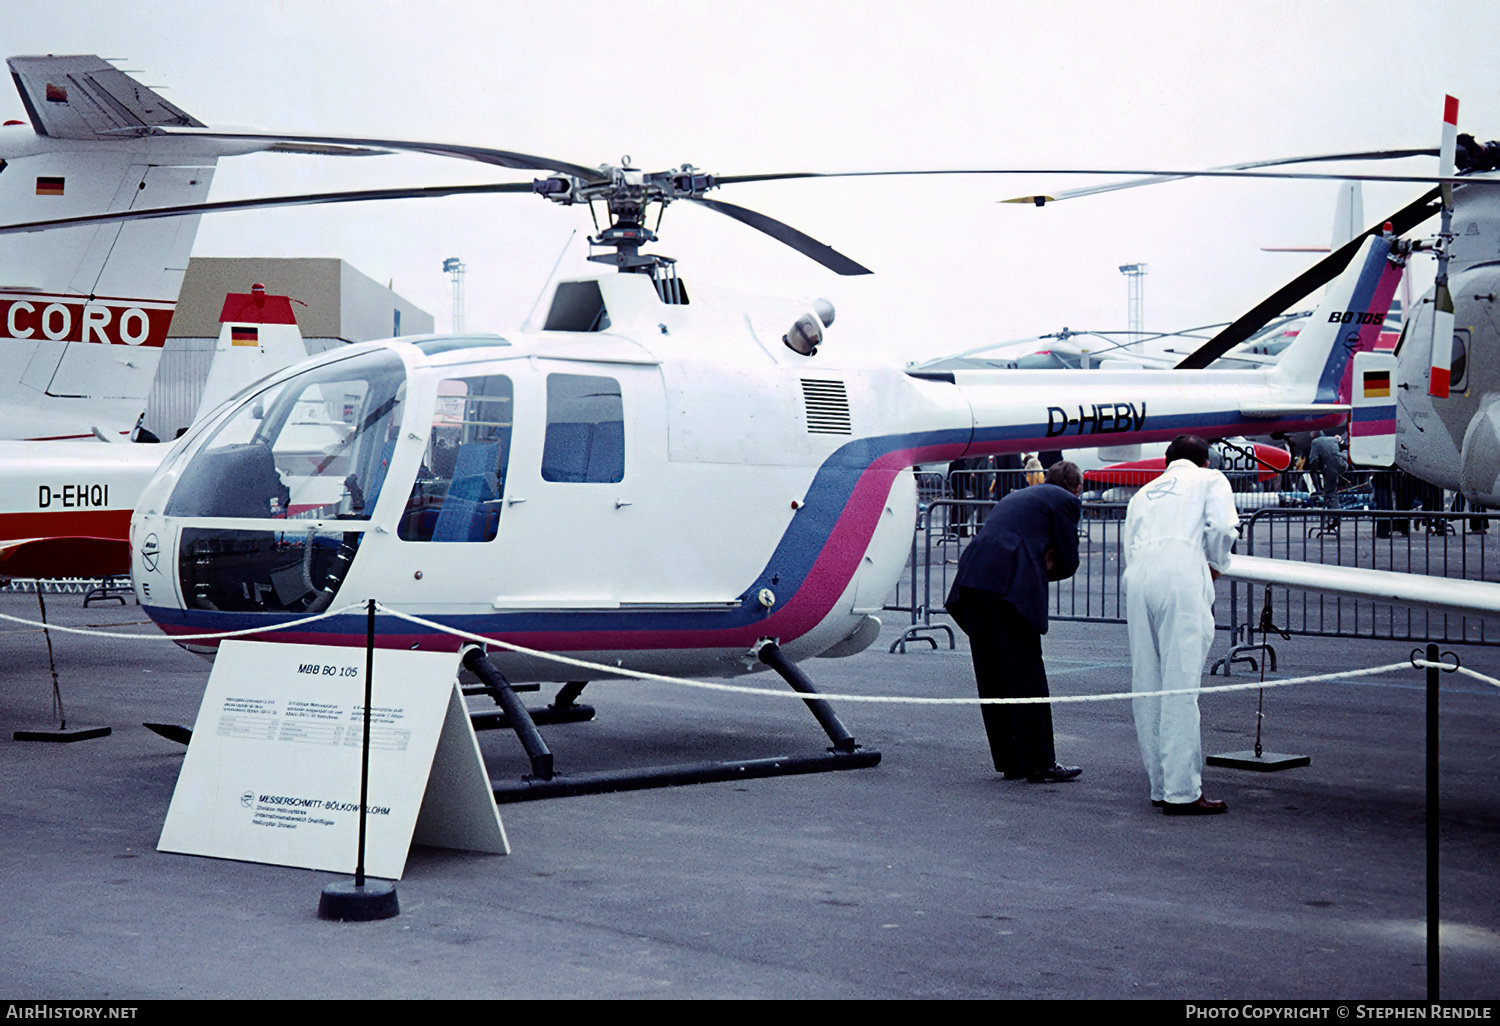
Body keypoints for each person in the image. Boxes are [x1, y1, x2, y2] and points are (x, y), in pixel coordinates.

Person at [944, 460, 1084, 783]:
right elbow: (1068, 559)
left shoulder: (1017, 496)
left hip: (973, 577)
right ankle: (1040, 761)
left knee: (991, 671)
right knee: (1025, 671)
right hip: (1009, 583)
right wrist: (1046, 565)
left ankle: (1010, 759)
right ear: (1075, 488)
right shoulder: (1065, 501)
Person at [1122, 435, 1238, 816]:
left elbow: (1130, 545)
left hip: (1138, 578)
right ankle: (1183, 791)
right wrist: (1216, 564)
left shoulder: (1143, 492)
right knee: (1181, 686)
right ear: (1204, 461)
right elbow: (1222, 528)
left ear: (1165, 462)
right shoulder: (1210, 480)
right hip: (1181, 573)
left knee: (1147, 683)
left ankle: (1160, 784)